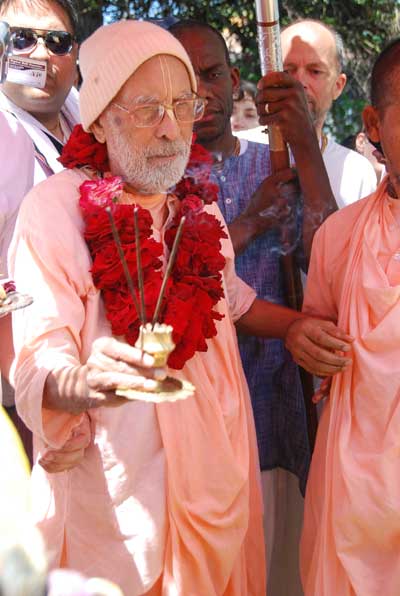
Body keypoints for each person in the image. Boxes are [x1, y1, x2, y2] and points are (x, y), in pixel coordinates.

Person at [9, 19, 352, 596]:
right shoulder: (53, 211)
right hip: (121, 502)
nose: (172, 129)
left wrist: (295, 328)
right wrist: (81, 382)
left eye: (182, 104)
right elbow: (38, 357)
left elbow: (231, 302)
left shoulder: (198, 209)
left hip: (217, 473)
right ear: (99, 116)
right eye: (147, 108)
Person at [169, 19, 338, 596]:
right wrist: (249, 223)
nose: (203, 94)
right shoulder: (159, 181)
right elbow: (181, 279)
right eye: (185, 80)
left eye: (213, 75)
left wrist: (304, 145)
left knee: (287, 565)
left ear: (234, 79)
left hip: (281, 402)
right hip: (202, 421)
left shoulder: (269, 164)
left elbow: (327, 255)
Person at [300, 37, 400, 595]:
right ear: (374, 124)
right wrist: (308, 343)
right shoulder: (339, 237)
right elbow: (318, 339)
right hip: (353, 499)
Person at [0, 0, 80, 460]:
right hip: (23, 401)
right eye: (21, 39)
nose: (40, 55)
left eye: (57, 42)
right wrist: (40, 405)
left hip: (86, 377)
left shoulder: (83, 114)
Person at [253, 19, 377, 208]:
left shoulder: (357, 171)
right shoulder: (240, 151)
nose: (299, 82)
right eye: (287, 70)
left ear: (338, 86)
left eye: (315, 71)